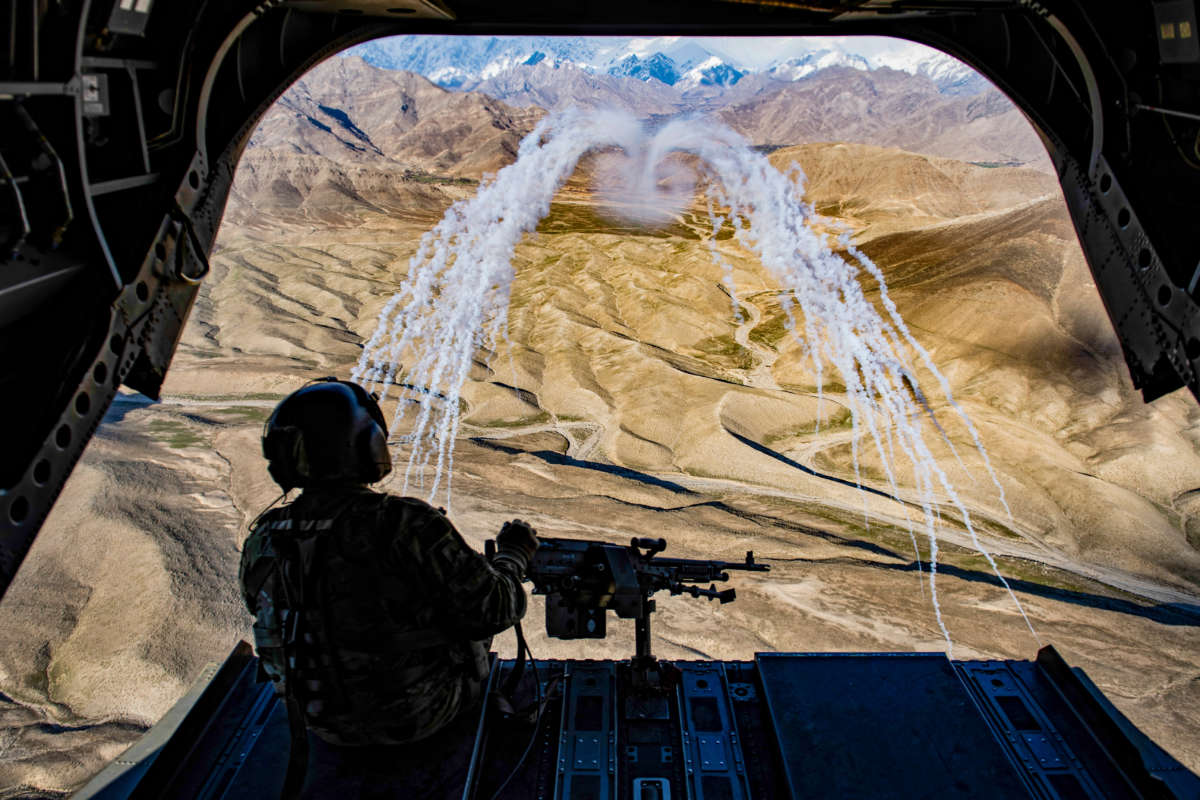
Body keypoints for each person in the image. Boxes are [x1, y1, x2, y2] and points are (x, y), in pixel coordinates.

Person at [238, 378, 537, 762]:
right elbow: (495, 609)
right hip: (418, 717)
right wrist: (512, 556)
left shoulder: (263, 538)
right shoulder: (402, 523)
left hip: (319, 723)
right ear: (368, 446)